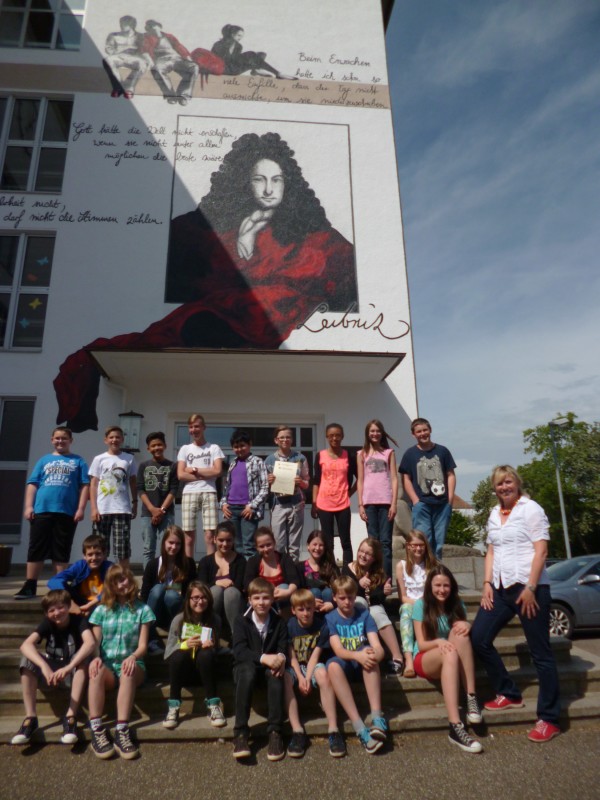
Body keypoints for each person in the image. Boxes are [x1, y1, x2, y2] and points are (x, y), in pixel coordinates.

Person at [53, 133, 356, 432]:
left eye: (276, 180)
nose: (268, 189)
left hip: (257, 326)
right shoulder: (209, 230)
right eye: (259, 179)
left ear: (289, 183)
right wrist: (245, 238)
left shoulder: (314, 235)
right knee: (146, 340)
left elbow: (333, 271)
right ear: (244, 182)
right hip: (208, 329)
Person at [471, 465, 561, 743]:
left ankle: (549, 718)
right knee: (478, 637)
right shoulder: (493, 514)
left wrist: (532, 586)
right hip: (500, 588)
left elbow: (541, 550)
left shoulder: (530, 509)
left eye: (508, 482)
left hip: (529, 588)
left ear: (517, 483)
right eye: (499, 484)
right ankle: (509, 692)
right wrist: (487, 583)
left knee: (541, 653)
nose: (504, 487)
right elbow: (491, 550)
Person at [412, 564, 483, 753]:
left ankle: (471, 697)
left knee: (461, 634)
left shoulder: (457, 604)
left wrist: (467, 625)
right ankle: (455, 726)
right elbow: (421, 644)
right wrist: (438, 642)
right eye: (437, 585)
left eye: (446, 585)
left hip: (449, 655)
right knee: (449, 651)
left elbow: (460, 637)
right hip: (425, 658)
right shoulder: (420, 605)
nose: (442, 590)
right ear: (430, 586)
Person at [11, 589, 95, 746]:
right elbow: (25, 645)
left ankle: (70, 717)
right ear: (46, 613)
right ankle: (31, 718)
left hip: (72, 673)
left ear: (69, 606)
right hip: (51, 674)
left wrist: (69, 667)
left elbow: (90, 643)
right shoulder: (47, 623)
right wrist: (44, 666)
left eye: (61, 607)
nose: (57, 613)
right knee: (27, 660)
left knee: (83, 660)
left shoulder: (79, 621)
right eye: (51, 610)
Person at [87, 564, 155, 760]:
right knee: (96, 671)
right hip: (108, 666)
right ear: (110, 586)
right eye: (115, 582)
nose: (121, 585)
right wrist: (95, 658)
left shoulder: (143, 609)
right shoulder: (101, 610)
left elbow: (143, 646)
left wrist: (133, 657)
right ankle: (97, 729)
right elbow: (95, 642)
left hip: (133, 665)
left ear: (131, 580)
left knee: (128, 669)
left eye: (123, 579)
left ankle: (122, 730)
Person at [15, 426, 89, 600]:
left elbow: (84, 486)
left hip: (66, 512)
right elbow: (33, 484)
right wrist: (28, 506)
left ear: (71, 441)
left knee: (61, 549)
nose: (60, 441)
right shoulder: (44, 460)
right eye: (57, 438)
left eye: (64, 438)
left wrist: (80, 508)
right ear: (52, 440)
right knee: (36, 548)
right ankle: (30, 585)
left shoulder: (78, 461)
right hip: (42, 510)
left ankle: (59, 586)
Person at [325, 575, 387, 754]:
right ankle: (360, 728)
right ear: (334, 598)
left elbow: (377, 646)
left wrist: (375, 655)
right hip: (344, 663)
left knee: (370, 652)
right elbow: (338, 650)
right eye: (342, 598)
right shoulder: (331, 618)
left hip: (363, 664)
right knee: (332, 666)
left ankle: (377, 718)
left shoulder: (364, 615)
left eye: (351, 597)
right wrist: (357, 655)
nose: (347, 602)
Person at [232, 577, 288, 762]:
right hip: (245, 666)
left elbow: (283, 646)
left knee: (275, 675)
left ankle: (275, 732)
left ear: (272, 599)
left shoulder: (279, 621)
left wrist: (281, 658)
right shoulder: (241, 620)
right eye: (256, 598)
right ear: (249, 600)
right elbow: (239, 651)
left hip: (268, 668)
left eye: (265, 598)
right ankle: (240, 733)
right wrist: (264, 658)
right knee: (247, 672)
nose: (261, 602)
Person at [285, 588, 345, 758]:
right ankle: (297, 730)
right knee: (286, 677)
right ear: (293, 610)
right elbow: (292, 656)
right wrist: (300, 677)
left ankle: (333, 729)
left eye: (309, 609)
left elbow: (316, 655)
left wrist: (307, 677)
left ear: (314, 608)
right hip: (296, 666)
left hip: (313, 664)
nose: (306, 613)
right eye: (301, 609)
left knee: (323, 674)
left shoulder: (321, 625)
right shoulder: (289, 626)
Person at [162, 581, 225, 730]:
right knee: (178, 655)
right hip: (184, 672)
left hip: (206, 670)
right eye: (195, 597)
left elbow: (218, 650)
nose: (200, 601)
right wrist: (184, 645)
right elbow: (167, 654)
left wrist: (212, 647)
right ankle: (173, 707)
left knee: (206, 655)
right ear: (188, 600)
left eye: (203, 597)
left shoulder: (215, 619)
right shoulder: (179, 620)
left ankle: (213, 705)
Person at [343, 538, 404, 675]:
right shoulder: (348, 569)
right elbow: (344, 592)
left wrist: (384, 592)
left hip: (372, 608)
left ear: (374, 558)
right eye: (361, 551)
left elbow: (376, 599)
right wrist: (358, 584)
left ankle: (397, 657)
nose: (363, 555)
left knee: (378, 613)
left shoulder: (379, 573)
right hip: (354, 609)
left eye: (368, 554)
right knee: (360, 602)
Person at [399, 418, 456, 560]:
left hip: (442, 504)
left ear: (430, 430)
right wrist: (415, 500)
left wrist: (449, 500)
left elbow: (450, 475)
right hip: (422, 504)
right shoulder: (410, 454)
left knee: (439, 543)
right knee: (422, 542)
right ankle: (423, 570)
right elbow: (406, 479)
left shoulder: (442, 451)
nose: (422, 433)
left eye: (425, 430)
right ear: (413, 434)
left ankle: (436, 570)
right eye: (419, 431)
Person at [140, 526, 197, 654]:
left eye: (178, 543)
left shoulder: (188, 563)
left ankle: (181, 634)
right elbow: (145, 594)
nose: (174, 547)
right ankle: (151, 639)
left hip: (177, 611)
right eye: (171, 542)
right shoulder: (153, 564)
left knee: (171, 595)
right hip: (156, 614)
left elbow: (191, 591)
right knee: (158, 589)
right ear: (164, 542)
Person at [177, 413, 224, 559]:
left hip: (209, 491)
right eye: (191, 427)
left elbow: (218, 471)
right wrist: (207, 473)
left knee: (210, 536)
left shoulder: (213, 448)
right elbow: (181, 475)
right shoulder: (185, 449)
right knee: (189, 537)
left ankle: (210, 568)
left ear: (204, 427)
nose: (194, 430)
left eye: (196, 426)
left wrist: (194, 470)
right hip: (189, 492)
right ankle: (188, 568)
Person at [88, 426, 137, 567]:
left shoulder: (129, 458)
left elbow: (133, 482)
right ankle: (101, 576)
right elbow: (93, 484)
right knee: (99, 547)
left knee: (122, 548)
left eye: (117, 437)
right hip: (102, 509)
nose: (114, 440)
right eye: (111, 437)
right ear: (106, 440)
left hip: (122, 509)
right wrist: (93, 508)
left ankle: (123, 577)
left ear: (122, 439)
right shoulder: (99, 459)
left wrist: (135, 502)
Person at [356, 419, 398, 578]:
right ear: (367, 434)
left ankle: (386, 579)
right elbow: (360, 480)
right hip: (369, 503)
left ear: (382, 433)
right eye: (372, 431)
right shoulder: (361, 454)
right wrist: (360, 504)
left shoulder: (389, 452)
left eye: (378, 431)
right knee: (372, 542)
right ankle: (374, 578)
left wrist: (394, 503)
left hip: (386, 502)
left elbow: (394, 478)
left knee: (386, 542)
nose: (375, 434)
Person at [311, 423, 357, 567]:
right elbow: (316, 480)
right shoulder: (320, 455)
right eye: (331, 435)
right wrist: (314, 503)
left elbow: (360, 478)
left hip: (343, 504)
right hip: (324, 504)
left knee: (345, 541)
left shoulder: (348, 456)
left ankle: (348, 572)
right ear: (327, 437)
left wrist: (349, 493)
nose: (334, 438)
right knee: (328, 541)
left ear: (342, 436)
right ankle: (329, 570)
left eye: (337, 435)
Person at [221, 429, 269, 559]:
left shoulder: (258, 462)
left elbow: (265, 488)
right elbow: (227, 486)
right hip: (231, 509)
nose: (239, 449)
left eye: (242, 445)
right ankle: (237, 571)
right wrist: (223, 504)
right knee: (235, 545)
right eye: (236, 447)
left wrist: (252, 506)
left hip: (247, 509)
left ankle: (250, 572)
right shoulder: (233, 463)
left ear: (250, 444)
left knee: (248, 546)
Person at [395, 529, 437, 677]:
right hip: (411, 603)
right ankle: (408, 660)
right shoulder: (401, 566)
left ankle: (421, 654)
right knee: (406, 610)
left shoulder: (432, 566)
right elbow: (403, 597)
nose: (418, 548)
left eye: (421, 545)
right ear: (408, 546)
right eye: (414, 545)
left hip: (429, 604)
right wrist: (418, 604)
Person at [265, 425, 310, 563]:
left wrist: (301, 482)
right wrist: (268, 481)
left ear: (292, 439)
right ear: (276, 440)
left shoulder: (300, 458)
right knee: (278, 543)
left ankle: (293, 571)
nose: (285, 440)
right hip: (278, 504)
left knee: (294, 545)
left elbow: (307, 482)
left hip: (296, 504)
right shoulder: (269, 460)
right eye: (282, 437)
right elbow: (263, 486)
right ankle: (280, 570)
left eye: (288, 437)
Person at [197, 520, 246, 641]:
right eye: (221, 540)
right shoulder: (205, 561)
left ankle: (237, 637)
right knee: (215, 590)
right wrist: (216, 582)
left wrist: (227, 585)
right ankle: (209, 635)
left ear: (233, 540)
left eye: (229, 540)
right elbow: (200, 587)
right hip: (213, 607)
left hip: (234, 607)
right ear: (214, 539)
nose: (225, 544)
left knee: (231, 592)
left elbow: (241, 586)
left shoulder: (240, 561)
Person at [137, 431, 178, 568]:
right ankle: (148, 578)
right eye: (153, 446)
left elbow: (173, 490)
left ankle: (165, 577)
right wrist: (152, 509)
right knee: (148, 548)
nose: (156, 448)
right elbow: (140, 489)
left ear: (165, 446)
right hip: (147, 513)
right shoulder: (143, 466)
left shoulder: (172, 466)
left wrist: (161, 510)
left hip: (167, 513)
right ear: (148, 449)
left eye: (159, 445)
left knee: (167, 547)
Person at [47, 533, 113, 615]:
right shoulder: (80, 565)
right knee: (58, 591)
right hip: (80, 601)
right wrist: (69, 600)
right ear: (84, 556)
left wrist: (89, 605)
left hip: (101, 602)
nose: (94, 558)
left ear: (104, 554)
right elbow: (53, 581)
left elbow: (111, 590)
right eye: (90, 554)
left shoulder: (110, 568)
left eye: (98, 554)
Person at [243, 526, 302, 614]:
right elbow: (248, 584)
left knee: (284, 586)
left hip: (282, 598)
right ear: (257, 548)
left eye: (268, 544)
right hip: (262, 599)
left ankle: (283, 620)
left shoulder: (285, 558)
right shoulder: (253, 561)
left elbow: (294, 580)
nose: (266, 549)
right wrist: (268, 593)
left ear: (274, 543)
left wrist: (288, 592)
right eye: (261, 546)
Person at [143, 19, 198, 105]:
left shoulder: (169, 36)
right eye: (151, 27)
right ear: (148, 30)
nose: (154, 29)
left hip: (176, 58)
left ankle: (183, 95)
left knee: (194, 67)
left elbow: (179, 46)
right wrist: (150, 61)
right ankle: (171, 95)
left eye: (155, 26)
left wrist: (187, 57)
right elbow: (145, 51)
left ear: (160, 27)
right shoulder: (146, 38)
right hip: (161, 60)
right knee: (156, 69)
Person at [211, 24, 293, 80]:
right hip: (224, 70)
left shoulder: (238, 46)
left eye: (242, 36)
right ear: (232, 34)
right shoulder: (219, 44)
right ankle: (277, 73)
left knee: (261, 54)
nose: (240, 38)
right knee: (251, 54)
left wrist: (249, 61)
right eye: (239, 35)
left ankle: (256, 70)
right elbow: (215, 62)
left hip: (233, 68)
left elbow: (236, 61)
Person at [102, 15, 150, 99]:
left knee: (142, 63)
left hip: (133, 57)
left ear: (131, 25)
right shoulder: (113, 35)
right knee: (107, 60)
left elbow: (145, 49)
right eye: (121, 23)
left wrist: (147, 57)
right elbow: (108, 48)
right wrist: (119, 51)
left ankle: (129, 88)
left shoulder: (140, 36)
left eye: (124, 24)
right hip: (118, 56)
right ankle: (118, 86)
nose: (121, 26)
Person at [302, 529, 339, 613]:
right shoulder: (300, 567)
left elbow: (340, 589)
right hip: (308, 607)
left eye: (321, 545)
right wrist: (309, 601)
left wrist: (332, 604)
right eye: (314, 544)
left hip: (329, 605)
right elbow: (298, 592)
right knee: (314, 591)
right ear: (308, 546)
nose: (317, 548)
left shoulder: (331, 567)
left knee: (328, 592)